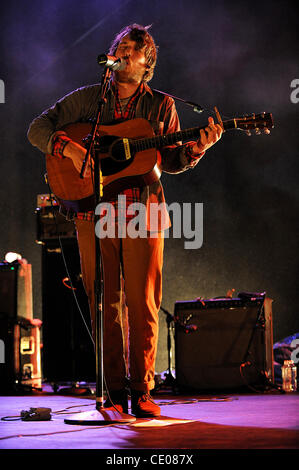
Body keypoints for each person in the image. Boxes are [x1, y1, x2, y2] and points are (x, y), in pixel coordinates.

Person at [27, 24, 222, 417]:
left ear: (147, 61)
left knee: (142, 303)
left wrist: (196, 149)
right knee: (104, 303)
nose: (124, 52)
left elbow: (168, 159)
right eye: (120, 46)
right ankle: (113, 390)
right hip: (93, 211)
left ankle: (143, 389)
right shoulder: (88, 100)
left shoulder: (160, 106)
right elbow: (38, 128)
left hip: (142, 210)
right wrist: (70, 150)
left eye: (133, 49)